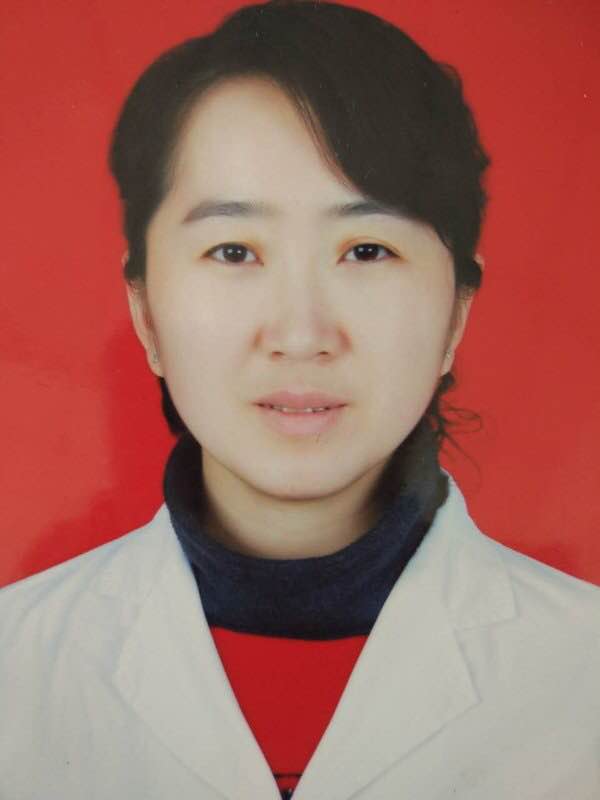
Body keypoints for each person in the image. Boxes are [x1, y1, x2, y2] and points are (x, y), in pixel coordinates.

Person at [1, 1, 599, 798]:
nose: (300, 333)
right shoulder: (16, 665)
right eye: (234, 251)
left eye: (366, 249)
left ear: (455, 313)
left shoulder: (584, 673)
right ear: (145, 313)